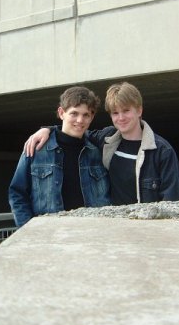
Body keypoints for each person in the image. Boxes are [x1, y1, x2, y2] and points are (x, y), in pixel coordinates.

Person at [25, 81, 179, 205]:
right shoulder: (107, 138)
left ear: (139, 110)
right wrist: (49, 130)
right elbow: (74, 130)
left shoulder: (161, 150)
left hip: (148, 234)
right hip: (114, 231)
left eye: (126, 110)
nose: (121, 118)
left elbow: (173, 200)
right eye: (115, 113)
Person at [9, 86, 111, 227]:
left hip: (91, 232)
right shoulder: (36, 148)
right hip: (50, 235)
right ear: (61, 113)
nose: (80, 120)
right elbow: (17, 194)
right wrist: (28, 230)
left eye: (86, 115)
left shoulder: (96, 151)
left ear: (92, 117)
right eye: (74, 113)